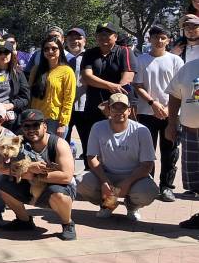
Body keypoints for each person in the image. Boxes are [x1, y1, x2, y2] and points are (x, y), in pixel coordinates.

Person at [0, 109, 77, 240]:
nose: (31, 129)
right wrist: (30, 168)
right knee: (3, 184)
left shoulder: (58, 144)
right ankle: (24, 221)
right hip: (30, 186)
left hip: (57, 187)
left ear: (45, 126)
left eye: (35, 125)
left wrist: (31, 174)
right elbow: (1, 168)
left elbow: (66, 177)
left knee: (58, 194)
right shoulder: (17, 141)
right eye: (27, 126)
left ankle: (68, 224)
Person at [77, 93, 157, 221]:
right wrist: (104, 181)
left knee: (148, 191)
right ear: (108, 110)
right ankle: (108, 205)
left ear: (129, 111)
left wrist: (128, 182)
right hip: (107, 174)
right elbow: (91, 157)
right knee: (80, 182)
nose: (119, 112)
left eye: (123, 108)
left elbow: (147, 164)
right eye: (115, 108)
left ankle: (132, 206)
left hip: (134, 176)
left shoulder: (142, 131)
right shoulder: (98, 127)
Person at [132, 26, 183, 203]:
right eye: (155, 38)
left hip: (172, 113)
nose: (159, 41)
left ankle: (166, 187)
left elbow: (180, 87)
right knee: (147, 151)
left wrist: (169, 108)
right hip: (147, 111)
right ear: (149, 39)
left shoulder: (176, 60)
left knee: (170, 151)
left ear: (168, 40)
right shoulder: (141, 59)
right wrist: (153, 104)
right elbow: (137, 85)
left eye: (163, 38)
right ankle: (148, 184)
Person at [80, 23, 137, 155]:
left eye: (107, 34)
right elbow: (87, 77)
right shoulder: (90, 53)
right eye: (100, 34)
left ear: (115, 37)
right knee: (94, 148)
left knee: (119, 148)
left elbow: (127, 79)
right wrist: (111, 85)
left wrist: (111, 104)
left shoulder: (125, 51)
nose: (103, 37)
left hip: (119, 108)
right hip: (94, 107)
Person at [166, 54, 199, 204]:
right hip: (191, 134)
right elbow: (174, 95)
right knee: (196, 182)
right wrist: (171, 123)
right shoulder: (189, 68)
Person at [28, 36, 76, 137]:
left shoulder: (67, 71)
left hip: (55, 120)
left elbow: (68, 99)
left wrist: (63, 124)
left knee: (53, 151)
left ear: (60, 50)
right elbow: (30, 95)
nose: (50, 51)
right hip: (35, 118)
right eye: (46, 49)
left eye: (54, 48)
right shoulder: (36, 70)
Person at [64, 27, 89, 150]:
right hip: (64, 108)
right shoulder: (61, 58)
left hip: (84, 106)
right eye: (71, 38)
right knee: (63, 144)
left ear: (85, 41)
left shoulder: (90, 57)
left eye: (78, 38)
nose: (74, 41)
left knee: (88, 144)